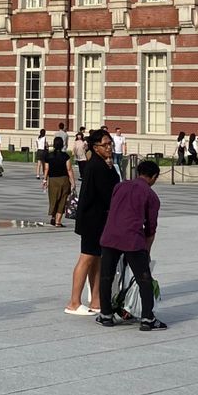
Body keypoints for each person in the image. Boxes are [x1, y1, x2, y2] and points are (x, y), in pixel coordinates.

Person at [96, 159, 166, 331]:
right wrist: (146, 251)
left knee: (106, 276)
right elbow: (151, 228)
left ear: (138, 172)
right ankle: (147, 319)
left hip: (110, 236)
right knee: (144, 279)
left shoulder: (119, 186)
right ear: (154, 177)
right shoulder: (151, 195)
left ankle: (105, 314)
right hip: (132, 240)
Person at [67, 129, 117, 314]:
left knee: (97, 259)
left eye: (110, 143)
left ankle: (96, 301)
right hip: (92, 219)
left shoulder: (105, 164)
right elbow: (107, 194)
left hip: (100, 218)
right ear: (96, 147)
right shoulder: (96, 166)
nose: (109, 147)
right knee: (87, 258)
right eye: (105, 144)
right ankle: (73, 302)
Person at [43, 135, 74, 226]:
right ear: (62, 145)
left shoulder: (49, 156)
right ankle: (58, 221)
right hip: (64, 179)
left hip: (52, 180)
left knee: (53, 199)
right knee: (62, 200)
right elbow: (69, 170)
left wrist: (44, 180)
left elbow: (46, 169)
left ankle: (53, 216)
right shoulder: (66, 156)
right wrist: (73, 182)